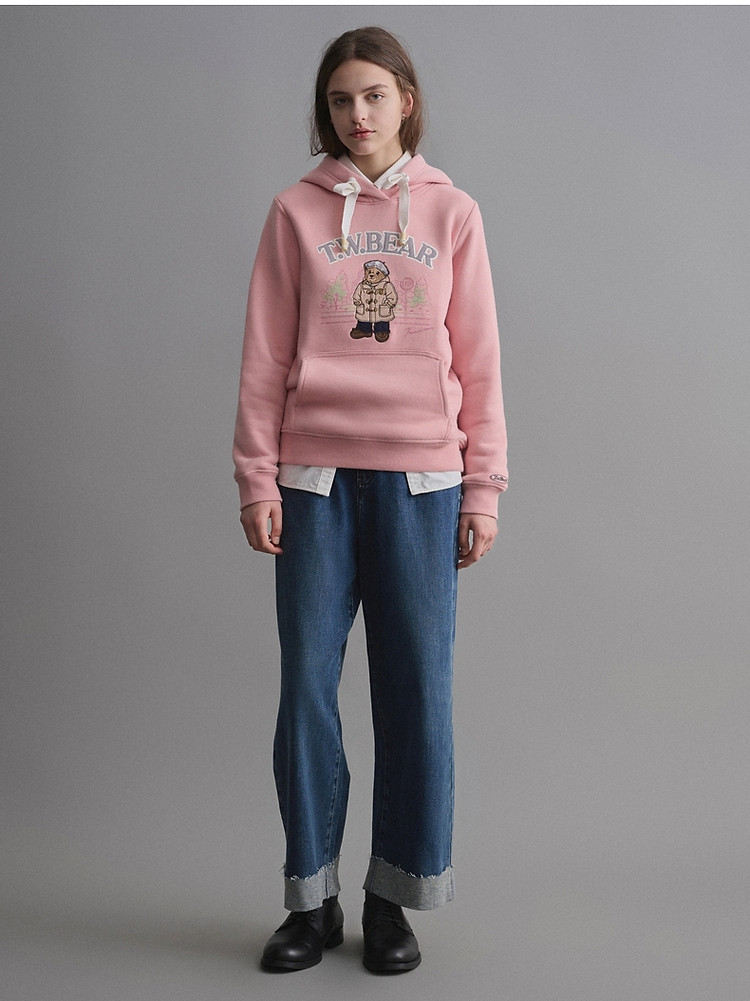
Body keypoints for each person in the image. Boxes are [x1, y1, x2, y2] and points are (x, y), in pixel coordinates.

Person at [233, 26, 508, 974]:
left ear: (406, 102)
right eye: (341, 99)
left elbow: (481, 360)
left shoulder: (453, 212)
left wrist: (484, 487)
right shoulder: (294, 213)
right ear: (327, 110)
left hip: (424, 482)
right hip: (313, 481)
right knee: (306, 693)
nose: (358, 115)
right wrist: (257, 475)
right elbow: (265, 354)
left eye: (375, 96)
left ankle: (393, 898)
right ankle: (311, 901)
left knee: (417, 693)